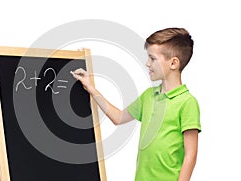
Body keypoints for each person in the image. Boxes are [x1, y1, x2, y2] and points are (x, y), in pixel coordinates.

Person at [71, 27, 201, 181]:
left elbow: (190, 155)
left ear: (173, 63)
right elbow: (118, 117)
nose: (147, 63)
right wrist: (91, 88)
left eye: (152, 59)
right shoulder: (148, 97)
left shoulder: (187, 102)